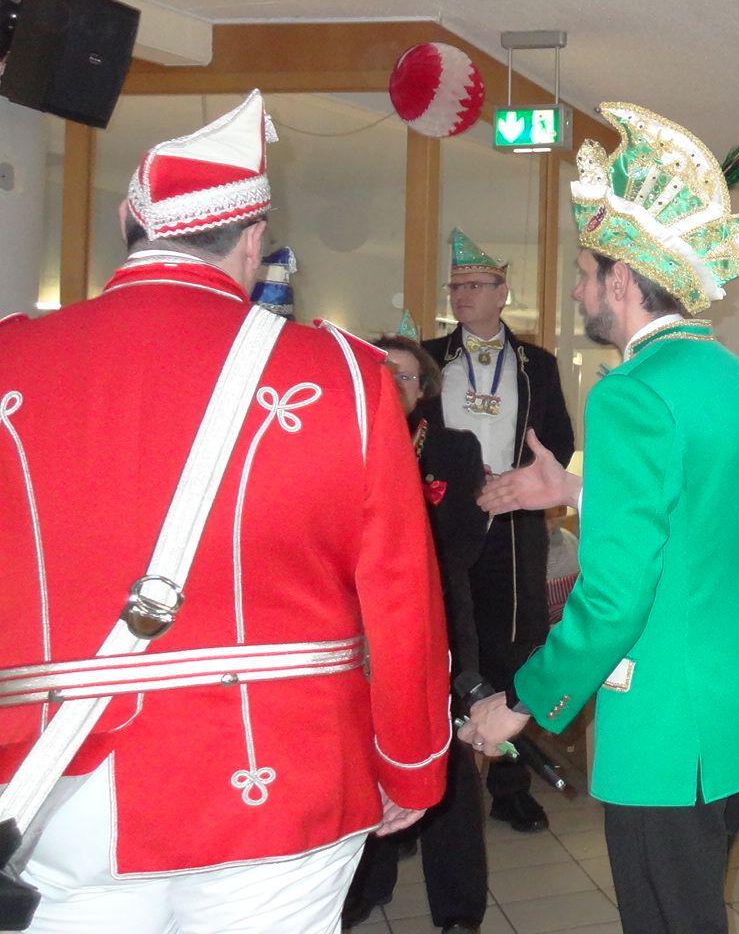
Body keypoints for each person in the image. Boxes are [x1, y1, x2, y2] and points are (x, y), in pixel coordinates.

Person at [0, 91, 451, 932]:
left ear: (131, 229)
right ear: (253, 239)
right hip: (282, 783)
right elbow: (401, 599)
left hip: (57, 786)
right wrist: (411, 764)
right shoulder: (343, 377)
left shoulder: (9, 358)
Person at [460, 100, 739, 934]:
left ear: (622, 281)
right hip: (737, 704)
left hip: (668, 722)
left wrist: (522, 699)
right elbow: (699, 520)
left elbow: (615, 597)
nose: (576, 288)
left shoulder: (630, 395)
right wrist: (578, 494)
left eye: (583, 272)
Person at [421, 228, 576, 833]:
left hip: (514, 525)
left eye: (475, 285)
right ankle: (434, 790)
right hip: (444, 522)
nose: (461, 294)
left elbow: (557, 440)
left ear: (502, 293)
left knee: (515, 646)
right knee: (442, 648)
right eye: (455, 286)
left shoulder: (539, 365)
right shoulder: (428, 359)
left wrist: (521, 480)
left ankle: (510, 785)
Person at [343, 332, 489, 933]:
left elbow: (465, 540)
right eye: (381, 373)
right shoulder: (344, 440)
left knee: (447, 762)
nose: (392, 384)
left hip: (438, 618)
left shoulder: (454, 447)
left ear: (424, 387)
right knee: (363, 758)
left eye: (403, 376)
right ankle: (368, 883)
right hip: (358, 628)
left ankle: (458, 908)